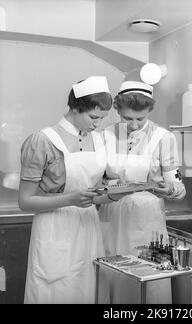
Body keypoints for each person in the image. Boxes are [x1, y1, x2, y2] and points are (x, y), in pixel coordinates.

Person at [19, 76, 114, 304]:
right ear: (74, 108)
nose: (97, 124)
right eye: (93, 117)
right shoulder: (43, 141)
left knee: (89, 290)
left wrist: (111, 193)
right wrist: (71, 199)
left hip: (89, 227)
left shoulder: (99, 141)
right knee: (57, 292)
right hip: (55, 228)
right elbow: (25, 201)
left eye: (101, 118)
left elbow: (98, 188)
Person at [99, 81, 186, 304]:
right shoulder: (104, 136)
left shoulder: (163, 138)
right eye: (127, 118)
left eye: (141, 118)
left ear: (149, 112)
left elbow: (178, 185)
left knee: (148, 285)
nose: (134, 124)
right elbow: (96, 179)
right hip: (112, 217)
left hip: (146, 223)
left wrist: (170, 189)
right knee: (113, 280)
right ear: (117, 111)